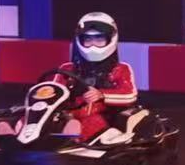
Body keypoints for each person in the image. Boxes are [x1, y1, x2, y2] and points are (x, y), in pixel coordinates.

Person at [57, 11, 138, 142]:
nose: (93, 45)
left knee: (91, 121)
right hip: (69, 115)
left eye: (99, 39)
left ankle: (76, 141)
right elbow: (55, 92)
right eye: (88, 40)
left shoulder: (121, 69)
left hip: (104, 116)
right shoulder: (67, 68)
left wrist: (101, 94)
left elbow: (130, 94)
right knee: (29, 115)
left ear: (110, 39)